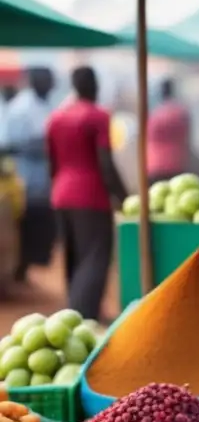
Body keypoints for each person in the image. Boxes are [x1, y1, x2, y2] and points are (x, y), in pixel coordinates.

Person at [46, 66, 127, 320]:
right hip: (90, 196)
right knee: (94, 257)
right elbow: (105, 163)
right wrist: (123, 196)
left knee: (73, 257)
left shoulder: (56, 118)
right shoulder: (99, 116)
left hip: (61, 193)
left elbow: (52, 163)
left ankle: (72, 313)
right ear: (94, 86)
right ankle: (84, 315)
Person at [3, 68, 56, 281]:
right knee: (25, 225)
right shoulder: (21, 108)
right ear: (34, 81)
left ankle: (24, 269)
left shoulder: (46, 104)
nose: (50, 84)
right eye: (46, 79)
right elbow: (7, 143)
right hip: (25, 176)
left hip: (42, 178)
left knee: (38, 225)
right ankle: (18, 271)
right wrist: (38, 146)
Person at [146, 77, 191, 182]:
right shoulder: (181, 113)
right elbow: (185, 136)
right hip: (176, 162)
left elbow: (148, 135)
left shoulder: (155, 113)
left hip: (155, 164)